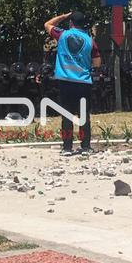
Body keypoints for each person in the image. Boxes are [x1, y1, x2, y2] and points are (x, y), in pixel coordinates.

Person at [44, 11, 101, 156]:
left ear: (71, 23)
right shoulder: (90, 40)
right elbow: (97, 61)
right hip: (83, 82)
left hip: (66, 81)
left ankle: (67, 148)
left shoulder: (62, 34)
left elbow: (47, 24)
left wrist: (63, 16)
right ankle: (86, 146)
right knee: (83, 115)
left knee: (67, 115)